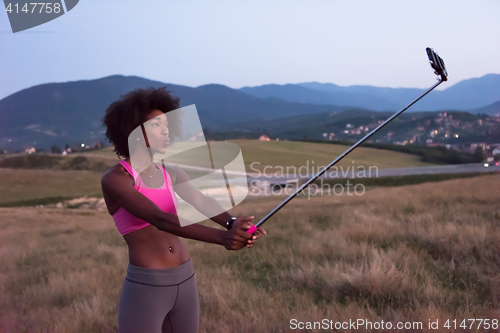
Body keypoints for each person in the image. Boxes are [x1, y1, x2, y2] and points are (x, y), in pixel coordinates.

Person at [100, 87, 266, 333]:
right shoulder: (116, 179)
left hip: (185, 278)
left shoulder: (172, 173)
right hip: (148, 285)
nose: (166, 130)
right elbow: (160, 219)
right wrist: (222, 238)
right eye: (157, 125)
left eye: (167, 125)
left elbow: (201, 200)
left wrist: (233, 223)